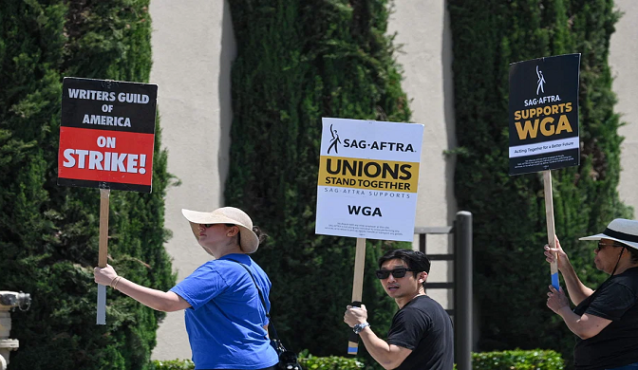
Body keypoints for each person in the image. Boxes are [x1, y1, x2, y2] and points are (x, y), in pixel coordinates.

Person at [94, 207, 279, 370]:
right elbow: (263, 325)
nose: (201, 228)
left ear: (231, 231)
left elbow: (167, 303)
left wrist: (114, 280)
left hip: (228, 364)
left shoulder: (220, 270)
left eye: (209, 225)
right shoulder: (256, 271)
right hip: (264, 361)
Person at [545, 218, 638, 370]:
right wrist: (564, 265)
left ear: (623, 250)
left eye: (601, 245)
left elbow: (586, 329)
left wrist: (562, 308)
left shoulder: (624, 285)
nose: (596, 250)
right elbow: (591, 304)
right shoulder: (629, 280)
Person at [343, 249, 454, 370]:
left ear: (421, 276)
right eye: (383, 274)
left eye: (399, 272)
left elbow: (389, 360)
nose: (390, 279)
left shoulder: (413, 313)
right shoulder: (434, 309)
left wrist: (360, 325)